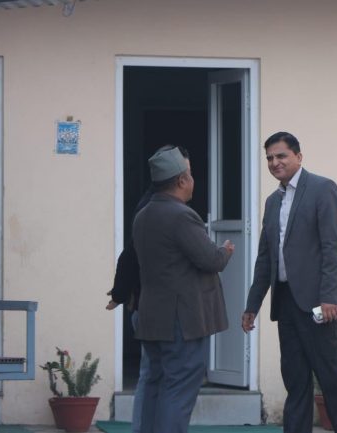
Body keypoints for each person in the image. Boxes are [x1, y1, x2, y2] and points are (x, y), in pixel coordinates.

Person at [241, 132, 337, 433]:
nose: (275, 162)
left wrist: (330, 296)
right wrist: (252, 305)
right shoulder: (272, 202)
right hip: (286, 302)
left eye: (281, 155)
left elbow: (332, 247)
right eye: (270, 158)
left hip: (319, 302)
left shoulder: (322, 189)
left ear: (298, 156)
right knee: (295, 380)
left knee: (330, 377)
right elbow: (265, 258)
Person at [133, 145, 235, 433]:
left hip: (151, 316)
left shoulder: (143, 215)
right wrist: (226, 250)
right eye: (190, 174)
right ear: (181, 180)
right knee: (178, 389)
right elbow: (210, 259)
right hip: (182, 321)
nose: (192, 179)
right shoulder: (181, 215)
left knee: (154, 385)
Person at [105, 185, 153, 433]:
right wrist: (120, 293)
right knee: (152, 374)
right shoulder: (156, 208)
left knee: (152, 374)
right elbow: (130, 256)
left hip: (145, 306)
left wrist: (119, 294)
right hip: (151, 308)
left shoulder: (150, 206)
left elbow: (128, 257)